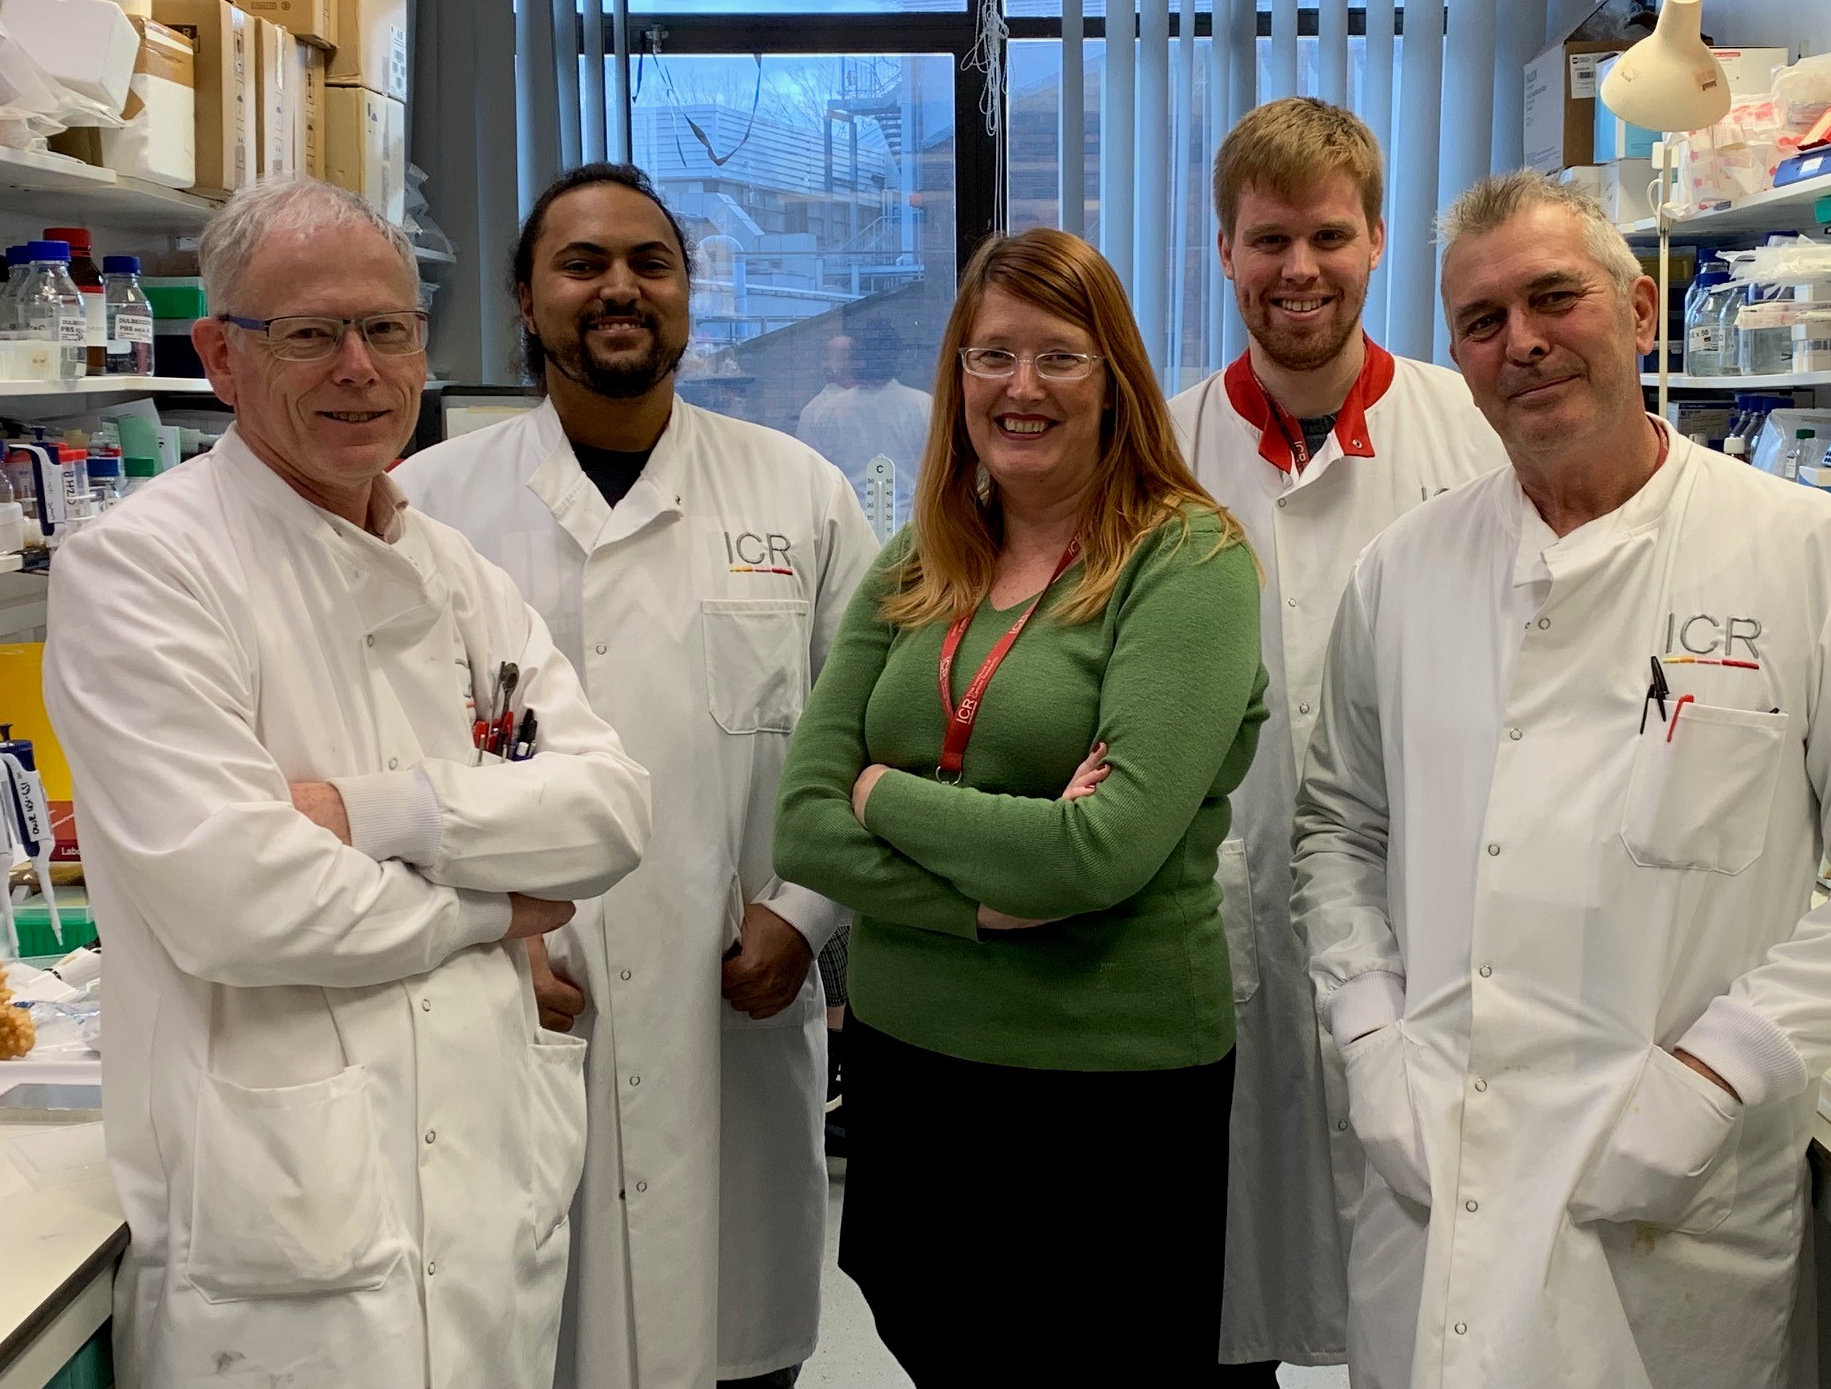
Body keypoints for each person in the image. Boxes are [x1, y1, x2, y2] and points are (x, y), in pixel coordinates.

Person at [1291, 169, 1831, 1389]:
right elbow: (1339, 828)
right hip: (1435, 1167)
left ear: (1643, 309)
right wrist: (1366, 1033)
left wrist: (1720, 1076)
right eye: (1483, 321)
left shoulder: (1804, 552)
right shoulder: (1405, 570)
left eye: (1556, 298)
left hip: (1673, 1199)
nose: (1524, 344)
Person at [42, 178, 652, 1389]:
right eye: (308, 335)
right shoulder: (146, 569)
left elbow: (610, 811)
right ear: (220, 355)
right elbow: (246, 903)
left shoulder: (454, 568)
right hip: (285, 1244)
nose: (359, 370)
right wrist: (495, 913)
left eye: (386, 330)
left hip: (486, 1201)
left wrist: (381, 816)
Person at [395, 163, 874, 1389]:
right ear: (523, 300)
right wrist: (493, 940)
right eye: (583, 264)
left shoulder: (799, 495)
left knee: (733, 1346)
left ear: (688, 295)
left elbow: (873, 733)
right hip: (514, 1005)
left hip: (734, 1006)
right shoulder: (427, 510)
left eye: (650, 264)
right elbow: (384, 765)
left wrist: (805, 919)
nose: (620, 289)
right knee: (525, 1342)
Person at [774, 226, 1269, 1387]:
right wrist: (979, 907)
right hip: (915, 1066)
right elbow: (801, 822)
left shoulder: (1185, 560)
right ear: (956, 378)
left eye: (1060, 356)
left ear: (1116, 380)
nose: (1021, 388)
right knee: (935, 1339)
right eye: (991, 357)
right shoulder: (921, 557)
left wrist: (885, 791)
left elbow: (1095, 854)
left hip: (1107, 1088)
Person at [1169, 96, 1505, 1382]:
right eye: (1267, 241)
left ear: (1375, 244)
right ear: (1224, 252)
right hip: (1222, 921)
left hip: (1438, 929)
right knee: (1231, 1286)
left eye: (1326, 236)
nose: (1297, 270)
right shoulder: (1167, 445)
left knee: (1429, 1303)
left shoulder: (1471, 428)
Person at [796, 316, 931, 533]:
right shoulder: (924, 407)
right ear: (897, 359)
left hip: (850, 536)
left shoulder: (826, 411)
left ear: (855, 360)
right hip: (908, 538)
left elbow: (808, 485)